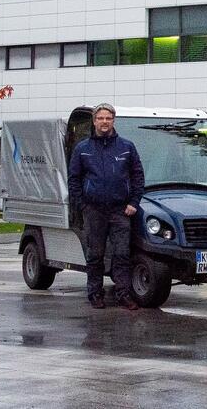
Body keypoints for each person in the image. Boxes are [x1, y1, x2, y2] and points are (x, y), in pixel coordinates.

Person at [68, 103, 144, 310]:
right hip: (94, 210)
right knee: (95, 255)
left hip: (120, 210)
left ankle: (123, 294)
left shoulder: (126, 147)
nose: (104, 122)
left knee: (121, 254)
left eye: (108, 118)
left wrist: (133, 203)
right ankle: (95, 294)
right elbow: (74, 179)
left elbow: (138, 176)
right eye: (100, 118)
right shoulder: (83, 149)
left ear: (113, 121)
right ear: (94, 121)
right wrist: (82, 205)